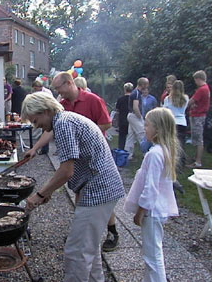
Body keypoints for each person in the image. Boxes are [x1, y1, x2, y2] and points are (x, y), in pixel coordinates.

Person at [22, 92, 125, 282]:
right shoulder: (65, 120)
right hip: (98, 187)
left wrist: (40, 194)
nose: (37, 126)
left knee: (76, 251)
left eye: (36, 121)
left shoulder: (63, 124)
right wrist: (49, 191)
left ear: (45, 111)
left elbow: (66, 171)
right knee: (89, 248)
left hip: (99, 189)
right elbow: (72, 166)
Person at [124, 107, 179, 282]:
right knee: (152, 253)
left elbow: (151, 187)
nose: (144, 128)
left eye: (147, 125)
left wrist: (141, 211)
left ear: (158, 129)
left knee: (153, 257)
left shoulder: (155, 154)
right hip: (156, 210)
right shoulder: (162, 151)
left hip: (152, 211)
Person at [186, 70, 210, 168]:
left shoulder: (202, 89)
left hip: (198, 116)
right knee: (197, 138)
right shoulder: (206, 88)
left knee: (198, 139)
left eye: (195, 80)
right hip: (200, 115)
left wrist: (186, 105)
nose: (195, 82)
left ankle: (198, 162)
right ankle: (196, 158)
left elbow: (191, 101)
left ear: (199, 79)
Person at [163, 80, 189, 164]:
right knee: (181, 143)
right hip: (182, 121)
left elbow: (165, 110)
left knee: (171, 142)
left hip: (172, 121)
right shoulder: (186, 98)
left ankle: (171, 161)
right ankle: (181, 162)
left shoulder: (168, 99)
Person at [124, 77, 150, 160]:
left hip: (131, 115)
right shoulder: (137, 93)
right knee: (142, 133)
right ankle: (146, 153)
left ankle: (127, 154)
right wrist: (140, 117)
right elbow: (135, 107)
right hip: (135, 115)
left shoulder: (134, 92)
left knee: (131, 136)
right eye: (146, 84)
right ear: (142, 84)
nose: (147, 86)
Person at [32, 79, 52, 154]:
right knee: (42, 130)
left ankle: (44, 149)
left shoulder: (47, 92)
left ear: (39, 86)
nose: (35, 90)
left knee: (45, 131)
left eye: (35, 88)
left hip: (47, 113)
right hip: (41, 112)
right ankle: (43, 148)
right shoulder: (38, 92)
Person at [115, 82, 133, 150]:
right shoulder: (133, 99)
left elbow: (117, 111)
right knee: (131, 137)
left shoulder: (120, 99)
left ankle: (121, 150)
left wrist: (116, 122)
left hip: (122, 120)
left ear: (124, 89)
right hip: (131, 120)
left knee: (122, 137)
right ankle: (129, 151)